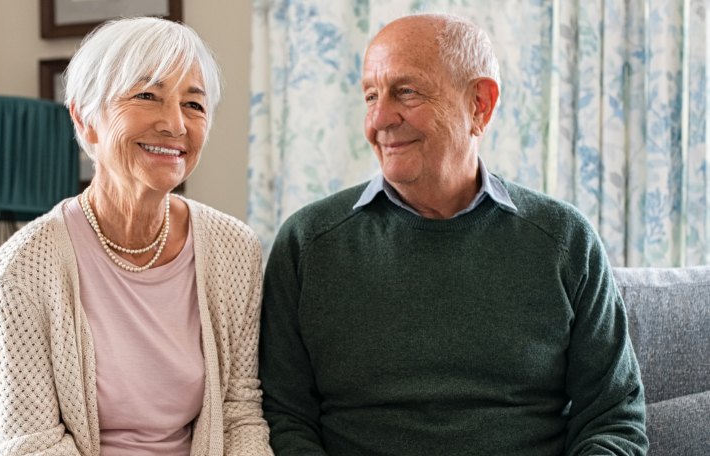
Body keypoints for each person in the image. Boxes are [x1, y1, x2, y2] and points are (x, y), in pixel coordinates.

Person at [258, 12, 647, 456]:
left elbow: (613, 416)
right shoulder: (308, 244)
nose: (380, 118)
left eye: (405, 91)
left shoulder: (563, 240)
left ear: (480, 104)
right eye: (370, 96)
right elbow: (283, 418)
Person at [0, 17, 273, 456]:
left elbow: (240, 412)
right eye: (147, 96)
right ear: (86, 118)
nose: (175, 124)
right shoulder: (21, 270)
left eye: (194, 104)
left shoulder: (235, 249)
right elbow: (30, 444)